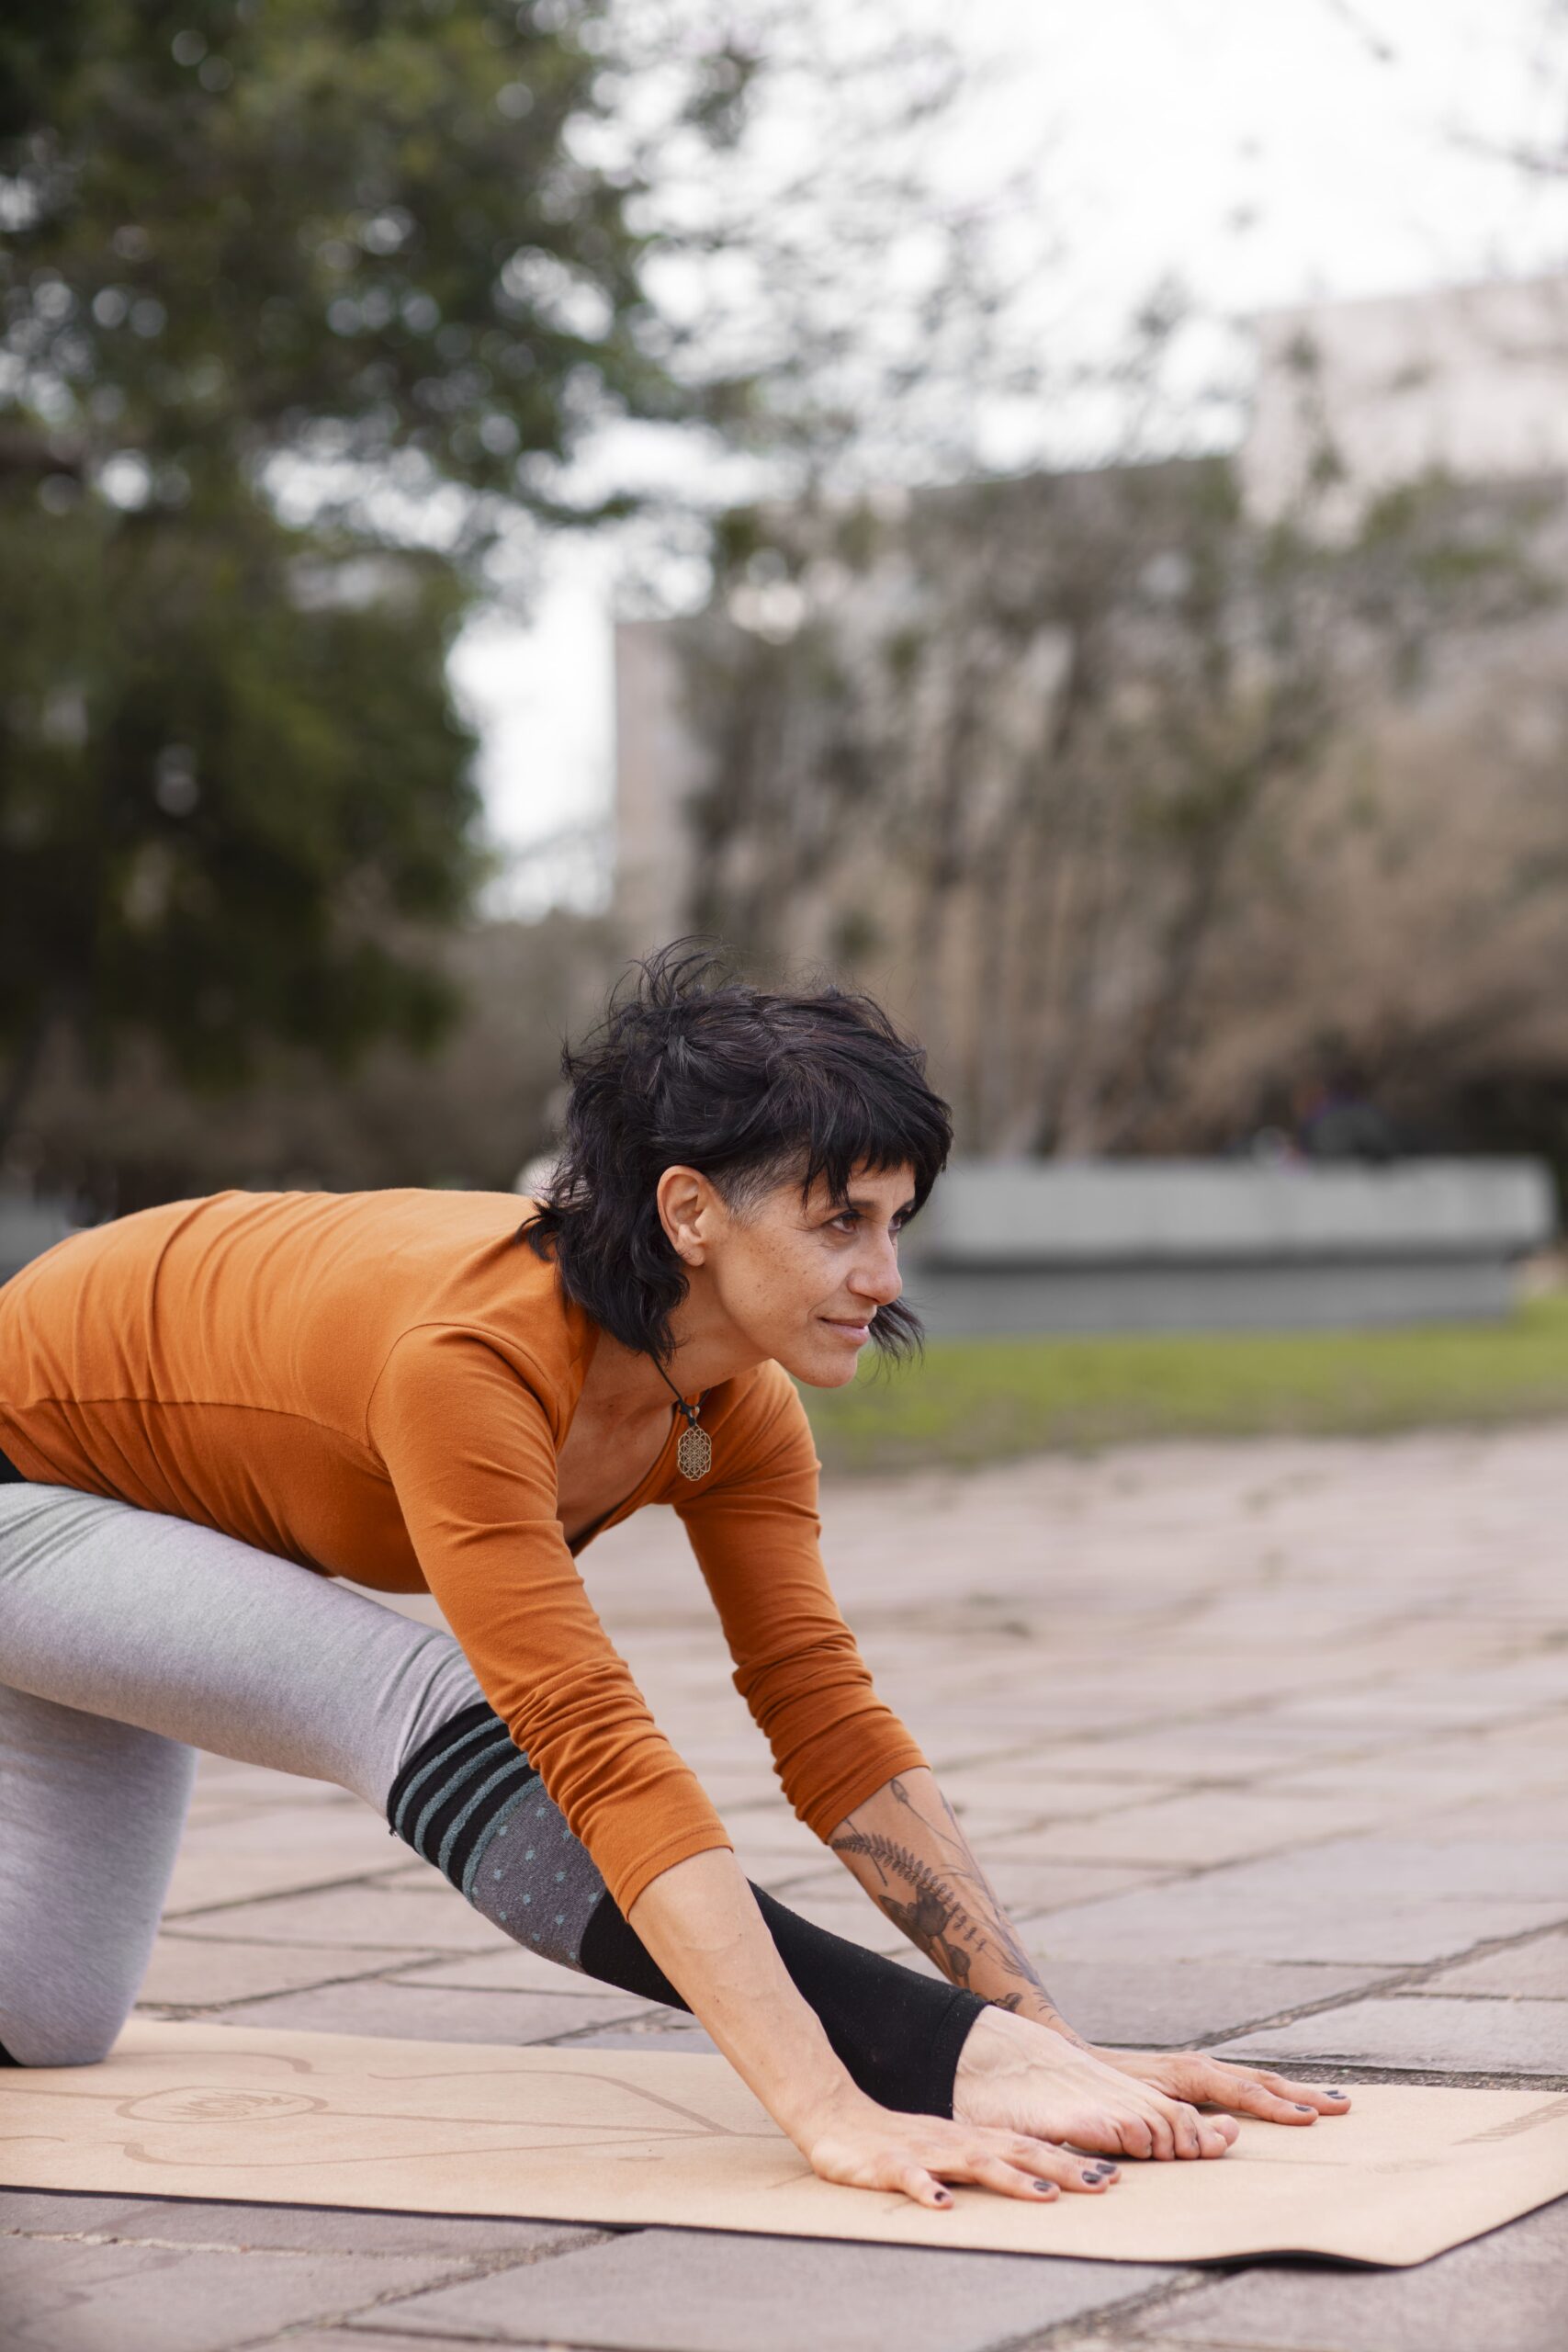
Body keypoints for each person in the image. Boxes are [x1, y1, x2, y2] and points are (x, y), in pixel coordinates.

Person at [0, 946, 1348, 2211]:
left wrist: (1051, 2038)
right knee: (417, 1702)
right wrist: (855, 2094)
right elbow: (589, 1746)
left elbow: (822, 1713)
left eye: (896, 1222)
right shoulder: (470, 1362)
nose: (883, 1276)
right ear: (691, 1212)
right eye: (840, 1223)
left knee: (48, 2017)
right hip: (26, 1478)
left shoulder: (731, 1404)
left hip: (130, 1504)